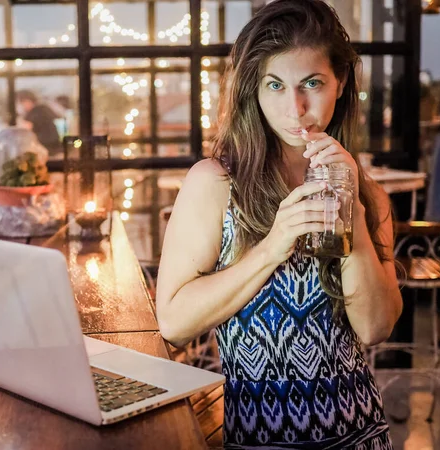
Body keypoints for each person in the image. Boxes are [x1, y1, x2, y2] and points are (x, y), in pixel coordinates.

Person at [156, 0, 402, 447]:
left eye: (312, 83)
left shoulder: (371, 197)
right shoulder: (216, 184)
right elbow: (174, 323)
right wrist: (273, 244)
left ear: (341, 83)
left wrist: (353, 211)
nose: (296, 108)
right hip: (257, 438)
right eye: (275, 85)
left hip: (360, 435)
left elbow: (375, 328)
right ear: (255, 89)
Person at [15, 90, 62, 157]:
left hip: (46, 149)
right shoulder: (43, 108)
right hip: (55, 147)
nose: (21, 106)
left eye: (21, 102)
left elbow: (24, 131)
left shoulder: (34, 113)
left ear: (27, 101)